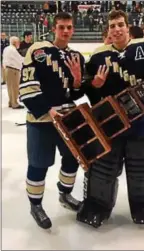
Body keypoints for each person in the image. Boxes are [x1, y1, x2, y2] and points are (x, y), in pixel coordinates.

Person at [77, 10, 144, 228]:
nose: (116, 29)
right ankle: (97, 205)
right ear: (108, 29)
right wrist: (95, 86)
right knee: (103, 168)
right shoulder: (98, 56)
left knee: (141, 167)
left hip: (143, 123)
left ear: (128, 26)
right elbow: (91, 93)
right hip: (110, 126)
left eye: (120, 24)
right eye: (112, 26)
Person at [19, 12, 85, 229]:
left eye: (69, 27)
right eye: (61, 27)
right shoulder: (37, 51)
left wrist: (76, 83)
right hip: (42, 120)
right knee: (38, 163)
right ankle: (35, 205)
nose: (65, 31)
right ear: (53, 29)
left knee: (71, 159)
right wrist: (46, 110)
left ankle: (64, 195)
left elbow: (73, 95)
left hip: (68, 119)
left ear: (73, 29)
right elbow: (27, 87)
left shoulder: (77, 57)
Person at [3, 36, 24, 109]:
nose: (19, 43)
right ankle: (14, 103)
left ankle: (11, 102)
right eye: (18, 42)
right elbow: (19, 59)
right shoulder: (12, 50)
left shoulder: (6, 48)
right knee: (14, 87)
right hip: (13, 70)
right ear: (15, 42)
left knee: (10, 87)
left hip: (7, 69)